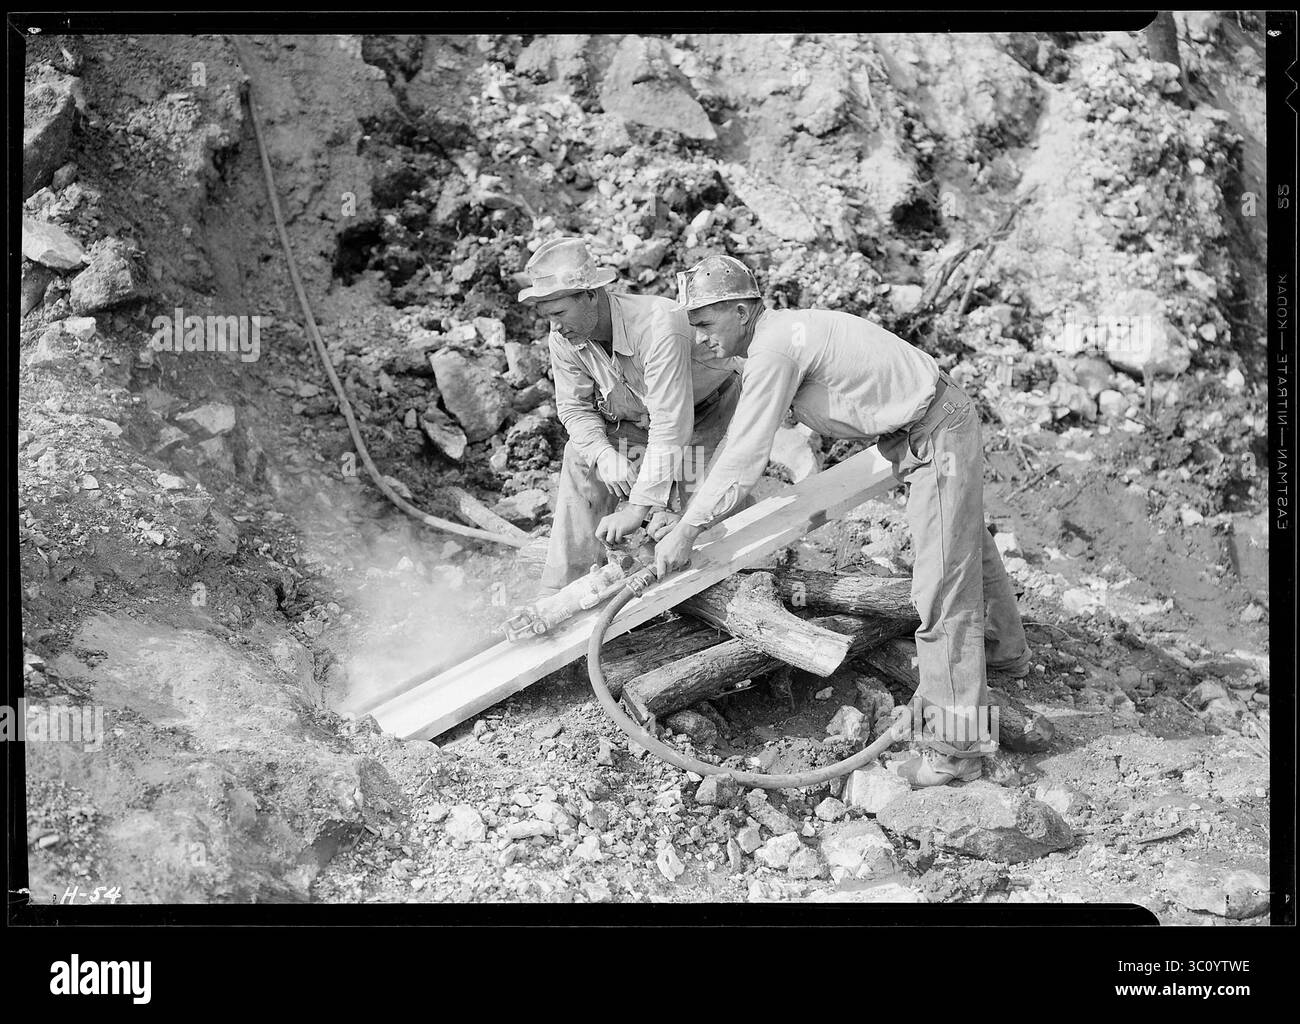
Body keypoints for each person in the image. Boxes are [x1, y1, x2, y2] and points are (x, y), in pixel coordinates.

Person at [653, 254, 1031, 788]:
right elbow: (741, 436)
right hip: (927, 429)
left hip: (934, 434)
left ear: (742, 310)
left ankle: (957, 752)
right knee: (963, 544)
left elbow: (745, 452)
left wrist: (689, 528)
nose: (701, 340)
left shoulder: (775, 347)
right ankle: (1003, 654)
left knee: (942, 587)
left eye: (706, 325)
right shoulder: (775, 337)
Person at [517, 237, 743, 591]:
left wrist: (637, 508)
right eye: (547, 316)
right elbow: (574, 408)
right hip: (643, 423)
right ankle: (563, 591)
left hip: (707, 418)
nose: (555, 327)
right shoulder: (564, 337)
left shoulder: (657, 326)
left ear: (592, 295)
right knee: (581, 456)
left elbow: (672, 426)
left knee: (688, 532)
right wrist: (605, 455)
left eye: (559, 313)